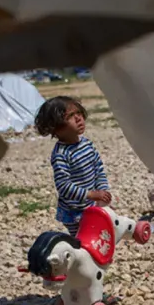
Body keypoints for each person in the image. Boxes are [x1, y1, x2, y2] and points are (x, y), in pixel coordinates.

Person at [34, 95, 112, 236]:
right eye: (70, 116)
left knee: (99, 233)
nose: (78, 118)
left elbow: (98, 169)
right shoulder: (61, 154)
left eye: (79, 113)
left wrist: (102, 190)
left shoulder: (87, 144)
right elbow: (64, 186)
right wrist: (91, 194)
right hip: (74, 212)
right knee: (82, 240)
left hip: (92, 204)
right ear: (55, 127)